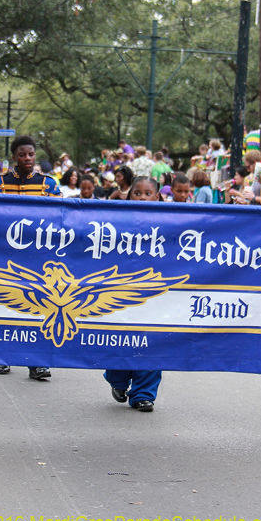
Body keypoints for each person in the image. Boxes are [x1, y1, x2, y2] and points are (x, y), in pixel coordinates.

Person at [0, 135, 60, 379]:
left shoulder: (48, 184)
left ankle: (37, 362)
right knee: (6, 304)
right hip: (6, 255)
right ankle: (2, 356)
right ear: (14, 157)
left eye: (31, 154)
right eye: (22, 154)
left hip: (39, 255)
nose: (27, 158)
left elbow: (60, 218)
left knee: (39, 305)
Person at [104, 176, 164, 412]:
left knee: (153, 341)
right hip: (121, 290)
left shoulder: (173, 220)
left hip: (156, 292)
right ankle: (117, 380)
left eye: (148, 193)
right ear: (129, 196)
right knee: (120, 337)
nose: (142, 197)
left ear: (157, 197)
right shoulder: (118, 220)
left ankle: (143, 394)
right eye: (137, 193)